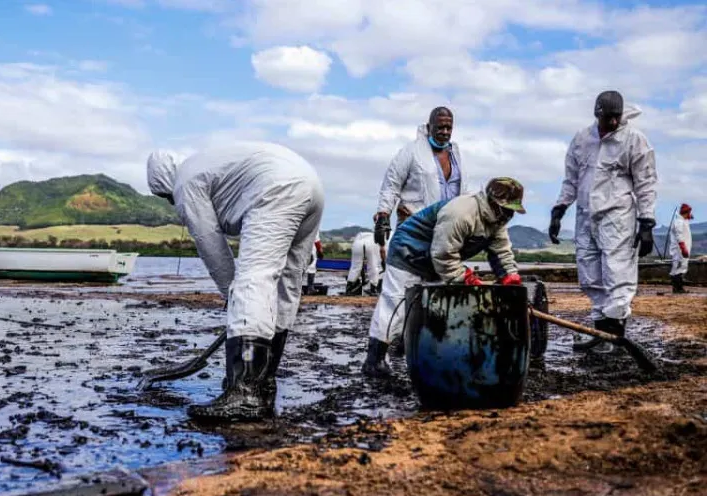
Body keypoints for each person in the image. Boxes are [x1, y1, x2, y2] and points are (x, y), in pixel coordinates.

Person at [146, 142, 325, 421]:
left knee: (253, 279)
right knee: (286, 285)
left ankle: (245, 392)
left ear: (164, 182)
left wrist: (234, 296)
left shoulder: (184, 182)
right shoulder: (205, 162)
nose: (171, 201)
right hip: (311, 185)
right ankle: (263, 383)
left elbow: (210, 244)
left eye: (165, 196)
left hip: (276, 187)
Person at [363, 178, 525, 378]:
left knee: (432, 307)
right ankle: (374, 359)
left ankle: (410, 349)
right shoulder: (461, 213)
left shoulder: (496, 223)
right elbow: (443, 254)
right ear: (492, 202)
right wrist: (463, 277)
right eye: (506, 209)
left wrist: (510, 276)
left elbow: (501, 252)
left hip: (432, 260)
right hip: (408, 252)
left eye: (512, 211)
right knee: (396, 305)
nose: (509, 215)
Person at [548, 90, 659, 354]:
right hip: (586, 215)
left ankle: (614, 334)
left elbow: (646, 183)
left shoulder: (634, 140)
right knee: (589, 271)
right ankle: (599, 332)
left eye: (616, 117)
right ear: (597, 114)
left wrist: (646, 223)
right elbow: (572, 178)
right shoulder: (582, 139)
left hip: (617, 215)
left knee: (617, 271)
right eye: (607, 117)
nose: (612, 123)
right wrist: (559, 209)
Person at [372, 106, 474, 259]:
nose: (445, 132)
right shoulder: (411, 151)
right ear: (429, 127)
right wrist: (383, 216)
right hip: (414, 225)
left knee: (438, 276)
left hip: (446, 230)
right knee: (406, 274)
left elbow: (464, 192)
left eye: (448, 128)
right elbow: (391, 184)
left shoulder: (457, 155)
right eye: (440, 127)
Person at [345, 230, 383, 296]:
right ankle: (373, 290)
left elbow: (360, 267)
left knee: (355, 267)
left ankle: (349, 290)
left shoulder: (359, 236)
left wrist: (363, 279)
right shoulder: (380, 240)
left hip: (357, 242)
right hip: (372, 242)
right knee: (373, 266)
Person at [669, 203, 694, 294]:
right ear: (686, 212)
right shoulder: (679, 222)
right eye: (689, 213)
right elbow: (679, 236)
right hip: (679, 250)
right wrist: (683, 248)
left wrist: (688, 217)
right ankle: (677, 288)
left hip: (682, 249)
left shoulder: (682, 221)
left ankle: (678, 288)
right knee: (678, 268)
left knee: (681, 267)